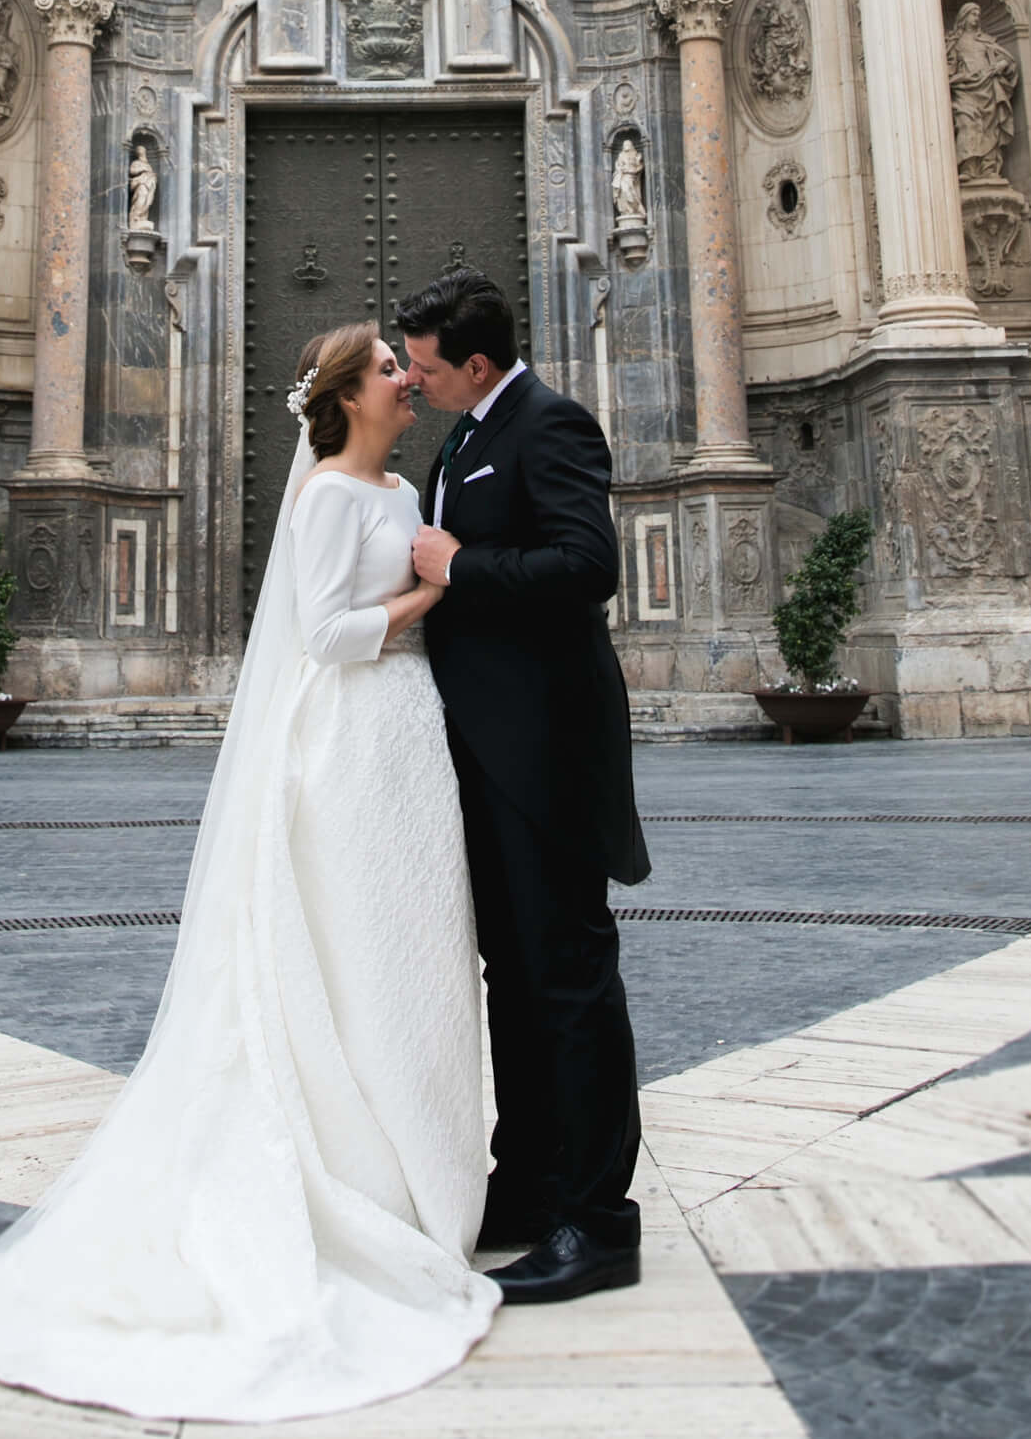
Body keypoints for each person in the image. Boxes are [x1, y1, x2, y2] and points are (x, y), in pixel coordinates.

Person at [0, 322, 499, 1421]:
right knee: (353, 949)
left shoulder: (401, 490)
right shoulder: (335, 498)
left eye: (406, 362)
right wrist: (433, 596)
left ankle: (416, 1161)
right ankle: (372, 1171)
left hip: (405, 742)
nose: (406, 377)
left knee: (413, 955)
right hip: (356, 733)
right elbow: (326, 631)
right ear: (341, 398)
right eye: (388, 366)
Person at [396, 265, 650, 1306]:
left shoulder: (549, 424)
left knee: (568, 980)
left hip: (546, 750)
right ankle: (530, 1182)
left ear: (478, 365)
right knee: (518, 974)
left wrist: (456, 568)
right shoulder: (465, 436)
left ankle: (598, 1221)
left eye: (422, 367)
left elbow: (587, 567)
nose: (410, 383)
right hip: (491, 754)